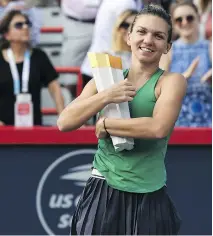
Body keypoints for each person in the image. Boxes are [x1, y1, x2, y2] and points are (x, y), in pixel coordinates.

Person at [57, 4, 186, 235]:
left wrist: (106, 124)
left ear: (167, 46)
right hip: (102, 189)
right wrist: (107, 95)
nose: (148, 40)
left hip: (150, 193)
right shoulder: (103, 81)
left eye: (158, 36)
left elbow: (158, 128)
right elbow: (65, 122)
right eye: (142, 32)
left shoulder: (172, 81)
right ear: (128, 37)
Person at [0, 10, 64, 126]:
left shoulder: (39, 56)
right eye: (19, 25)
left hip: (34, 130)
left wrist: (63, 117)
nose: (25, 27)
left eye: (27, 24)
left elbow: (55, 88)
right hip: (3, 131)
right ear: (7, 34)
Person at [160, 1, 212, 127]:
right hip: (178, 121)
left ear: (199, 18)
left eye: (189, 18)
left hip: (208, 119)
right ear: (174, 24)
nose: (185, 22)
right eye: (179, 20)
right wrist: (182, 78)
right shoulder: (167, 51)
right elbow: (159, 88)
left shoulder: (209, 47)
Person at [80, 0, 143, 88]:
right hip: (102, 66)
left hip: (97, 65)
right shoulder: (125, 4)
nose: (127, 30)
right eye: (124, 25)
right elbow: (112, 100)